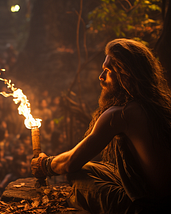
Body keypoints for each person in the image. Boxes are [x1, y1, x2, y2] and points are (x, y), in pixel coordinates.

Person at [31, 38, 171, 213]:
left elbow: (71, 162)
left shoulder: (121, 114)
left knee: (78, 177)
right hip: (160, 194)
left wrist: (44, 164)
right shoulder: (157, 102)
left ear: (124, 74)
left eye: (107, 70)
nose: (101, 76)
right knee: (90, 167)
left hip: (149, 205)